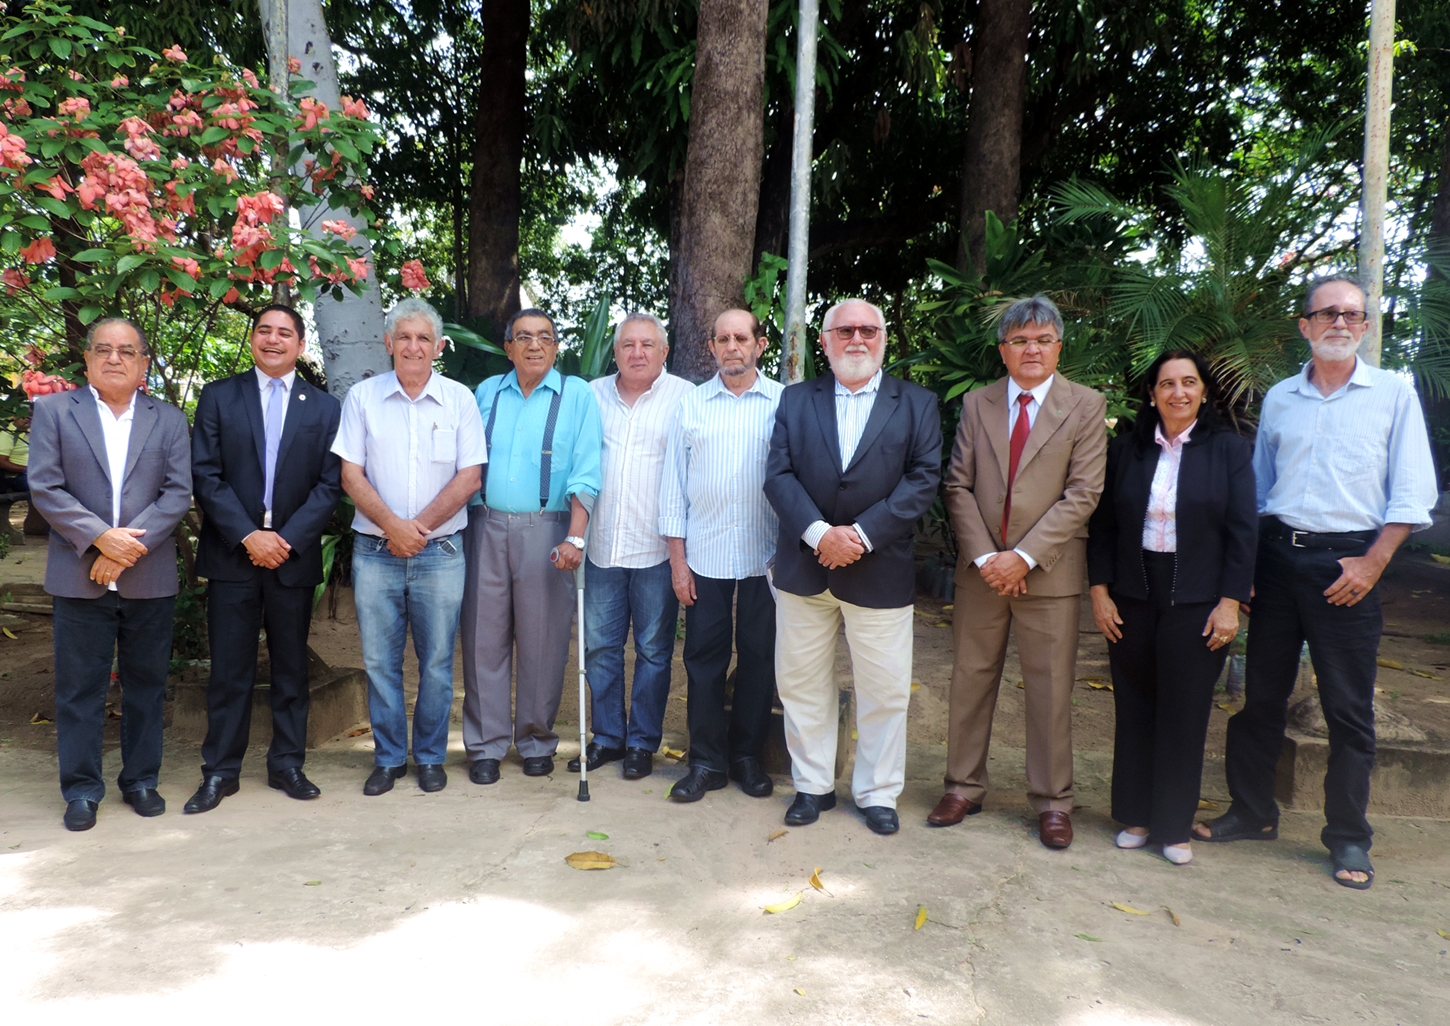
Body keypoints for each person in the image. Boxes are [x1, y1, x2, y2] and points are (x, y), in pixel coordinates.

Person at [1195, 274, 1438, 889]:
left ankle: (1349, 839)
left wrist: (1373, 562)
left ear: (1365, 327)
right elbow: (1258, 491)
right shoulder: (1280, 397)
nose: (1339, 323)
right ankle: (1253, 812)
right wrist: (1245, 569)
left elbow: (1412, 492)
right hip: (1277, 564)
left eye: (1352, 315)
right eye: (1326, 313)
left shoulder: (1392, 395)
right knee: (1261, 699)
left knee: (1348, 710)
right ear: (1304, 326)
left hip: (1349, 568)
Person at [935, 294, 1107, 849]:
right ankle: (962, 786)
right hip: (981, 573)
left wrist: (1023, 557)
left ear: (1059, 347)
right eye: (1019, 340)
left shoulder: (1084, 405)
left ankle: (1053, 802)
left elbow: (1084, 493)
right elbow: (957, 484)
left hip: (1048, 574)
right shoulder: (978, 404)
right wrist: (989, 558)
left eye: (1042, 340)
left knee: (1051, 689)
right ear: (1002, 350)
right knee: (971, 680)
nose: (1031, 349)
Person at [764, 299, 942, 834]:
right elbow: (778, 475)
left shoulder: (917, 403)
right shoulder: (796, 400)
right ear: (825, 340)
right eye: (845, 331)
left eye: (869, 329)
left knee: (885, 688)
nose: (857, 339)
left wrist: (859, 537)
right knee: (800, 682)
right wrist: (820, 534)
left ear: (885, 339)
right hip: (806, 567)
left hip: (879, 567)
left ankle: (877, 792)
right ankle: (812, 785)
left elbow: (923, 480)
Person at [1087, 350, 1257, 865]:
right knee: (1135, 703)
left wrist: (1230, 603)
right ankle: (1136, 815)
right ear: (1152, 393)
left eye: (1189, 382)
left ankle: (1173, 826)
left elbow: (1243, 531)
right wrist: (1099, 592)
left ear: (1204, 391)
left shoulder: (1228, 450)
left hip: (1200, 597)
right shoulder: (1126, 451)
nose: (1178, 392)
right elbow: (1103, 527)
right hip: (1133, 592)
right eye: (1167, 384)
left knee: (1185, 710)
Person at [27, 319, 191, 830]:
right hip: (79, 576)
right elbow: (47, 488)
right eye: (104, 350)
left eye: (127, 351)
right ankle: (81, 789)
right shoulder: (55, 411)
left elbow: (177, 493)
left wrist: (121, 550)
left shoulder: (168, 419)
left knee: (146, 684)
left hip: (148, 577)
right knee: (80, 688)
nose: (115, 358)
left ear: (144, 363)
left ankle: (141, 780)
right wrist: (101, 538)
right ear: (88, 360)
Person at [184, 305, 343, 813]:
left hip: (291, 557)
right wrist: (250, 535)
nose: (273, 340)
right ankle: (220, 772)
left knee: (291, 667)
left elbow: (330, 484)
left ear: (300, 345)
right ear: (253, 339)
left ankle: (287, 764)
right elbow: (205, 474)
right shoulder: (218, 396)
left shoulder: (324, 408)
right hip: (234, 554)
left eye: (285, 334)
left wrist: (287, 539)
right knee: (229, 670)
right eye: (264, 331)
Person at [332, 298, 486, 796]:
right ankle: (390, 758)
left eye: (423, 338)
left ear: (438, 347)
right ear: (388, 344)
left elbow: (470, 477)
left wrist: (414, 528)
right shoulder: (362, 398)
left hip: (439, 553)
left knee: (438, 663)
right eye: (404, 337)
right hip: (375, 552)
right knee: (379, 661)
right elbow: (349, 474)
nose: (413, 347)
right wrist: (392, 527)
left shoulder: (460, 398)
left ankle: (430, 757)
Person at [461, 308, 602, 784]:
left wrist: (575, 534)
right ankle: (484, 744)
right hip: (484, 524)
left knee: (543, 641)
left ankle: (537, 740)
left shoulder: (576, 396)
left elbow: (586, 468)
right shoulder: (486, 394)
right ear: (508, 348)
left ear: (557, 346)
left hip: (548, 528)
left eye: (545, 337)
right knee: (484, 638)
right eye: (523, 337)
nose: (534, 345)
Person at [660, 308, 784, 802]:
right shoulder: (691, 405)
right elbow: (674, 487)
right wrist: (677, 559)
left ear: (760, 344)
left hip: (767, 557)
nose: (732, 346)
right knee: (702, 661)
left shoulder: (784, 402)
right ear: (710, 348)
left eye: (741, 338)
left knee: (759, 658)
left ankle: (747, 758)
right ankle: (706, 762)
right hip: (704, 556)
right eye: (723, 339)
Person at [567, 313, 692, 780]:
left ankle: (642, 742)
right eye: (628, 345)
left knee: (655, 651)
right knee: (600, 649)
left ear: (663, 352)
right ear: (615, 351)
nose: (637, 353)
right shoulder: (590, 395)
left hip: (659, 550)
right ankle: (607, 738)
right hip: (600, 546)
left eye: (647, 345)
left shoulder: (685, 397)